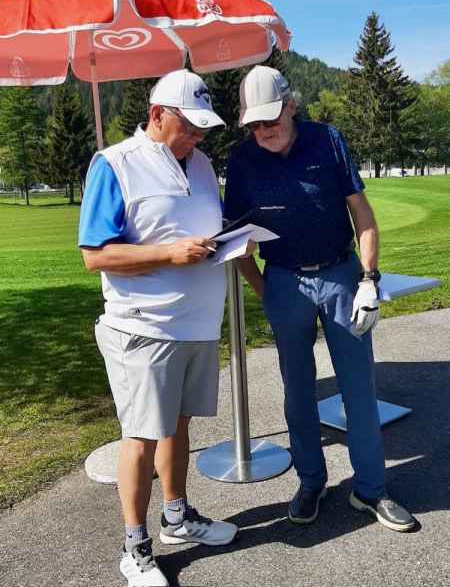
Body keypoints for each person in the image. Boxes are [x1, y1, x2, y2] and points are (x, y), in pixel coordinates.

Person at [224, 65, 415, 533]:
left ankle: (370, 489)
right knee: (298, 392)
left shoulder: (327, 140)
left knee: (358, 389)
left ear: (291, 106)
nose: (263, 131)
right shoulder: (242, 158)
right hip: (283, 281)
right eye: (254, 124)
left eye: (271, 120)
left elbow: (362, 215)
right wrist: (264, 288)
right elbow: (235, 239)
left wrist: (369, 279)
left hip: (341, 275)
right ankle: (311, 481)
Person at [79, 69, 240, 587]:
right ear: (157, 115)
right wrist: (168, 254)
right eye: (189, 126)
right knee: (142, 436)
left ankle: (177, 516)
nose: (197, 136)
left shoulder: (201, 163)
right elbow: (95, 255)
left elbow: (204, 227)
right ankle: (135, 546)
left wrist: (232, 241)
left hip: (197, 325)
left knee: (179, 425)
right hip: (143, 328)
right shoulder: (115, 164)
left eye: (202, 128)